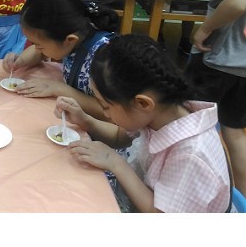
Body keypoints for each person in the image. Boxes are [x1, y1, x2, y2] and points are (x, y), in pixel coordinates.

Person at [55, 34, 232, 213]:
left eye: (106, 106)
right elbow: (118, 137)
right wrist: (85, 120)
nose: (105, 113)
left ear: (143, 103)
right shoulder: (160, 112)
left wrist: (115, 162)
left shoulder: (190, 156)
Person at [184, 0, 246, 195]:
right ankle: (241, 200)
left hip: (217, 61)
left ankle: (193, 191)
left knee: (191, 124)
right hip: (244, 69)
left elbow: (237, 2)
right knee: (235, 132)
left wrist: (204, 29)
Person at [2, 0, 118, 120]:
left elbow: (111, 113)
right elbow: (39, 53)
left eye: (39, 45)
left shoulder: (105, 59)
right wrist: (20, 61)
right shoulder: (73, 38)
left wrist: (58, 88)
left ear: (70, 40)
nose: (37, 49)